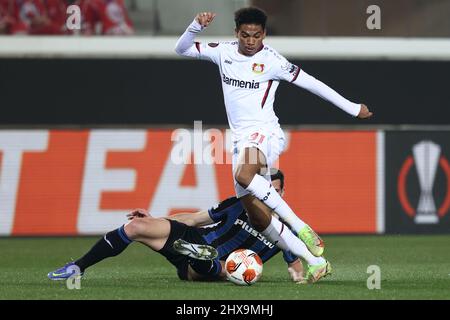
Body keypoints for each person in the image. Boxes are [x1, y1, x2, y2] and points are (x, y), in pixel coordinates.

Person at [174, 7, 373, 277]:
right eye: (245, 35)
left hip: (266, 133)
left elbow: (312, 84)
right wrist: (196, 26)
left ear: (264, 34)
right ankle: (316, 262)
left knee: (244, 175)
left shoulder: (273, 61)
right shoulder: (223, 51)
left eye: (256, 35)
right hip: (241, 139)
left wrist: (352, 108)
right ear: (237, 33)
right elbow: (181, 48)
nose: (251, 41)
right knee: (258, 217)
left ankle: (299, 225)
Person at [48, 169, 322, 284]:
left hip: (220, 267)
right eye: (264, 190)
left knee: (222, 265)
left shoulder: (286, 229)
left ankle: (205, 259)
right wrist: (158, 219)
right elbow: (193, 219)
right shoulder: (237, 203)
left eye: (273, 191)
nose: (268, 195)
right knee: (135, 227)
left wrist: (300, 278)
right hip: (196, 240)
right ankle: (78, 267)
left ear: (282, 193)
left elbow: (294, 267)